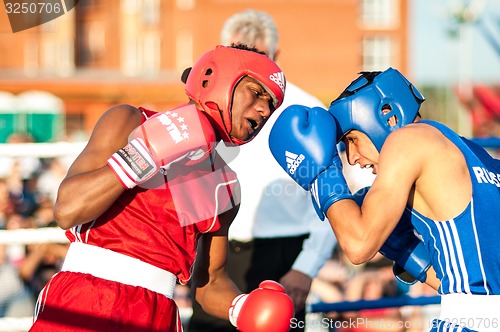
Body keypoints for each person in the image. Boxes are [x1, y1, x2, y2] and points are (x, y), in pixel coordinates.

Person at [29, 44, 294, 332]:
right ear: (214, 78)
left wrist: (241, 308)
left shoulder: (224, 187)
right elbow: (67, 211)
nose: (264, 109)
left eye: (271, 103)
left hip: (157, 314)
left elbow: (209, 284)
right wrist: (144, 156)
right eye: (256, 93)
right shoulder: (130, 121)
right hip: (86, 296)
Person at [269, 68, 500, 332]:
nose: (352, 157)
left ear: (388, 116)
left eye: (352, 139)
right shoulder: (472, 153)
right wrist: (409, 253)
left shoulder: (407, 140)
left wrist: (322, 175)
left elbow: (358, 246)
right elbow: (473, 281)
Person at [188, 10, 337, 332]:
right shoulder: (203, 105)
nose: (253, 73)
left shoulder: (309, 111)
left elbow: (333, 196)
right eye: (240, 60)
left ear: (276, 57)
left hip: (283, 255)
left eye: (261, 59)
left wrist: (306, 268)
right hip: (214, 247)